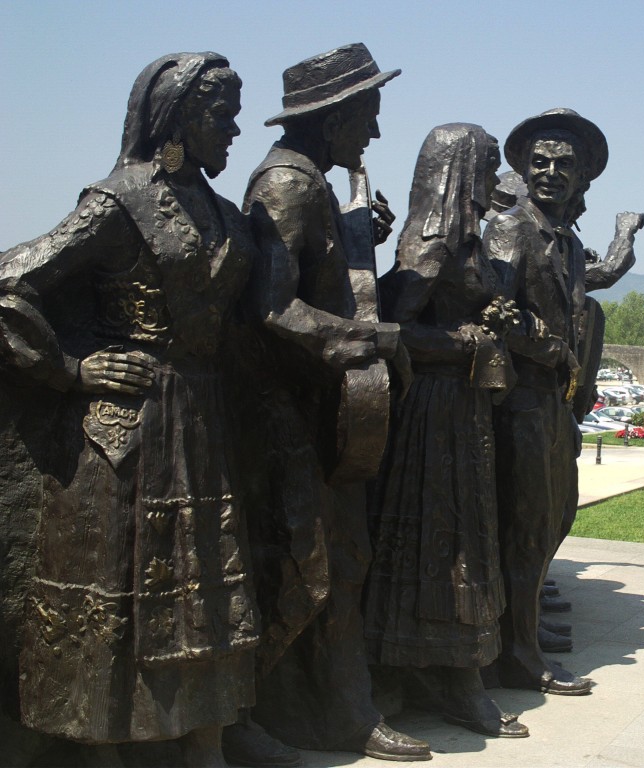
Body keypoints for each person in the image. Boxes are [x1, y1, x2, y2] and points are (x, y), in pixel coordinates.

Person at [0, 52, 256, 766]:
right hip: (129, 434)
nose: (234, 129)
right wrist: (70, 369)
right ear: (179, 117)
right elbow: (9, 285)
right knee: (116, 594)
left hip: (201, 426)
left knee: (202, 594)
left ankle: (202, 742)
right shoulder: (120, 202)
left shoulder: (223, 211)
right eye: (221, 114)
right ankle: (101, 751)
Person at [239, 44, 428, 762]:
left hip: (324, 409)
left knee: (342, 558)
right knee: (315, 563)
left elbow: (314, 273)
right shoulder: (288, 183)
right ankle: (297, 715)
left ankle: (342, 707)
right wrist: (363, 335)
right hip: (297, 413)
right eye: (368, 117)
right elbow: (269, 307)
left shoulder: (315, 181)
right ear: (336, 115)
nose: (374, 135)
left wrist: (354, 237)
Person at [363, 123, 527, 738]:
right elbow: (388, 329)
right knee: (439, 540)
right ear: (461, 170)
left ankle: (451, 673)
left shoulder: (469, 241)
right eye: (486, 168)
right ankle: (421, 673)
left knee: (464, 537)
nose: (492, 181)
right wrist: (461, 345)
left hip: (463, 411)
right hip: (431, 414)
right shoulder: (430, 240)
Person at [484, 108, 644, 695]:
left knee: (552, 516)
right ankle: (516, 653)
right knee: (524, 526)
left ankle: (517, 636)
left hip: (553, 401)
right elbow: (493, 311)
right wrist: (547, 346)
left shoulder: (566, 242)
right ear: (524, 169)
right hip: (520, 399)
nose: (550, 172)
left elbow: (591, 287)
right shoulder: (510, 229)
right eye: (540, 163)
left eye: (564, 165)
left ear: (582, 181)